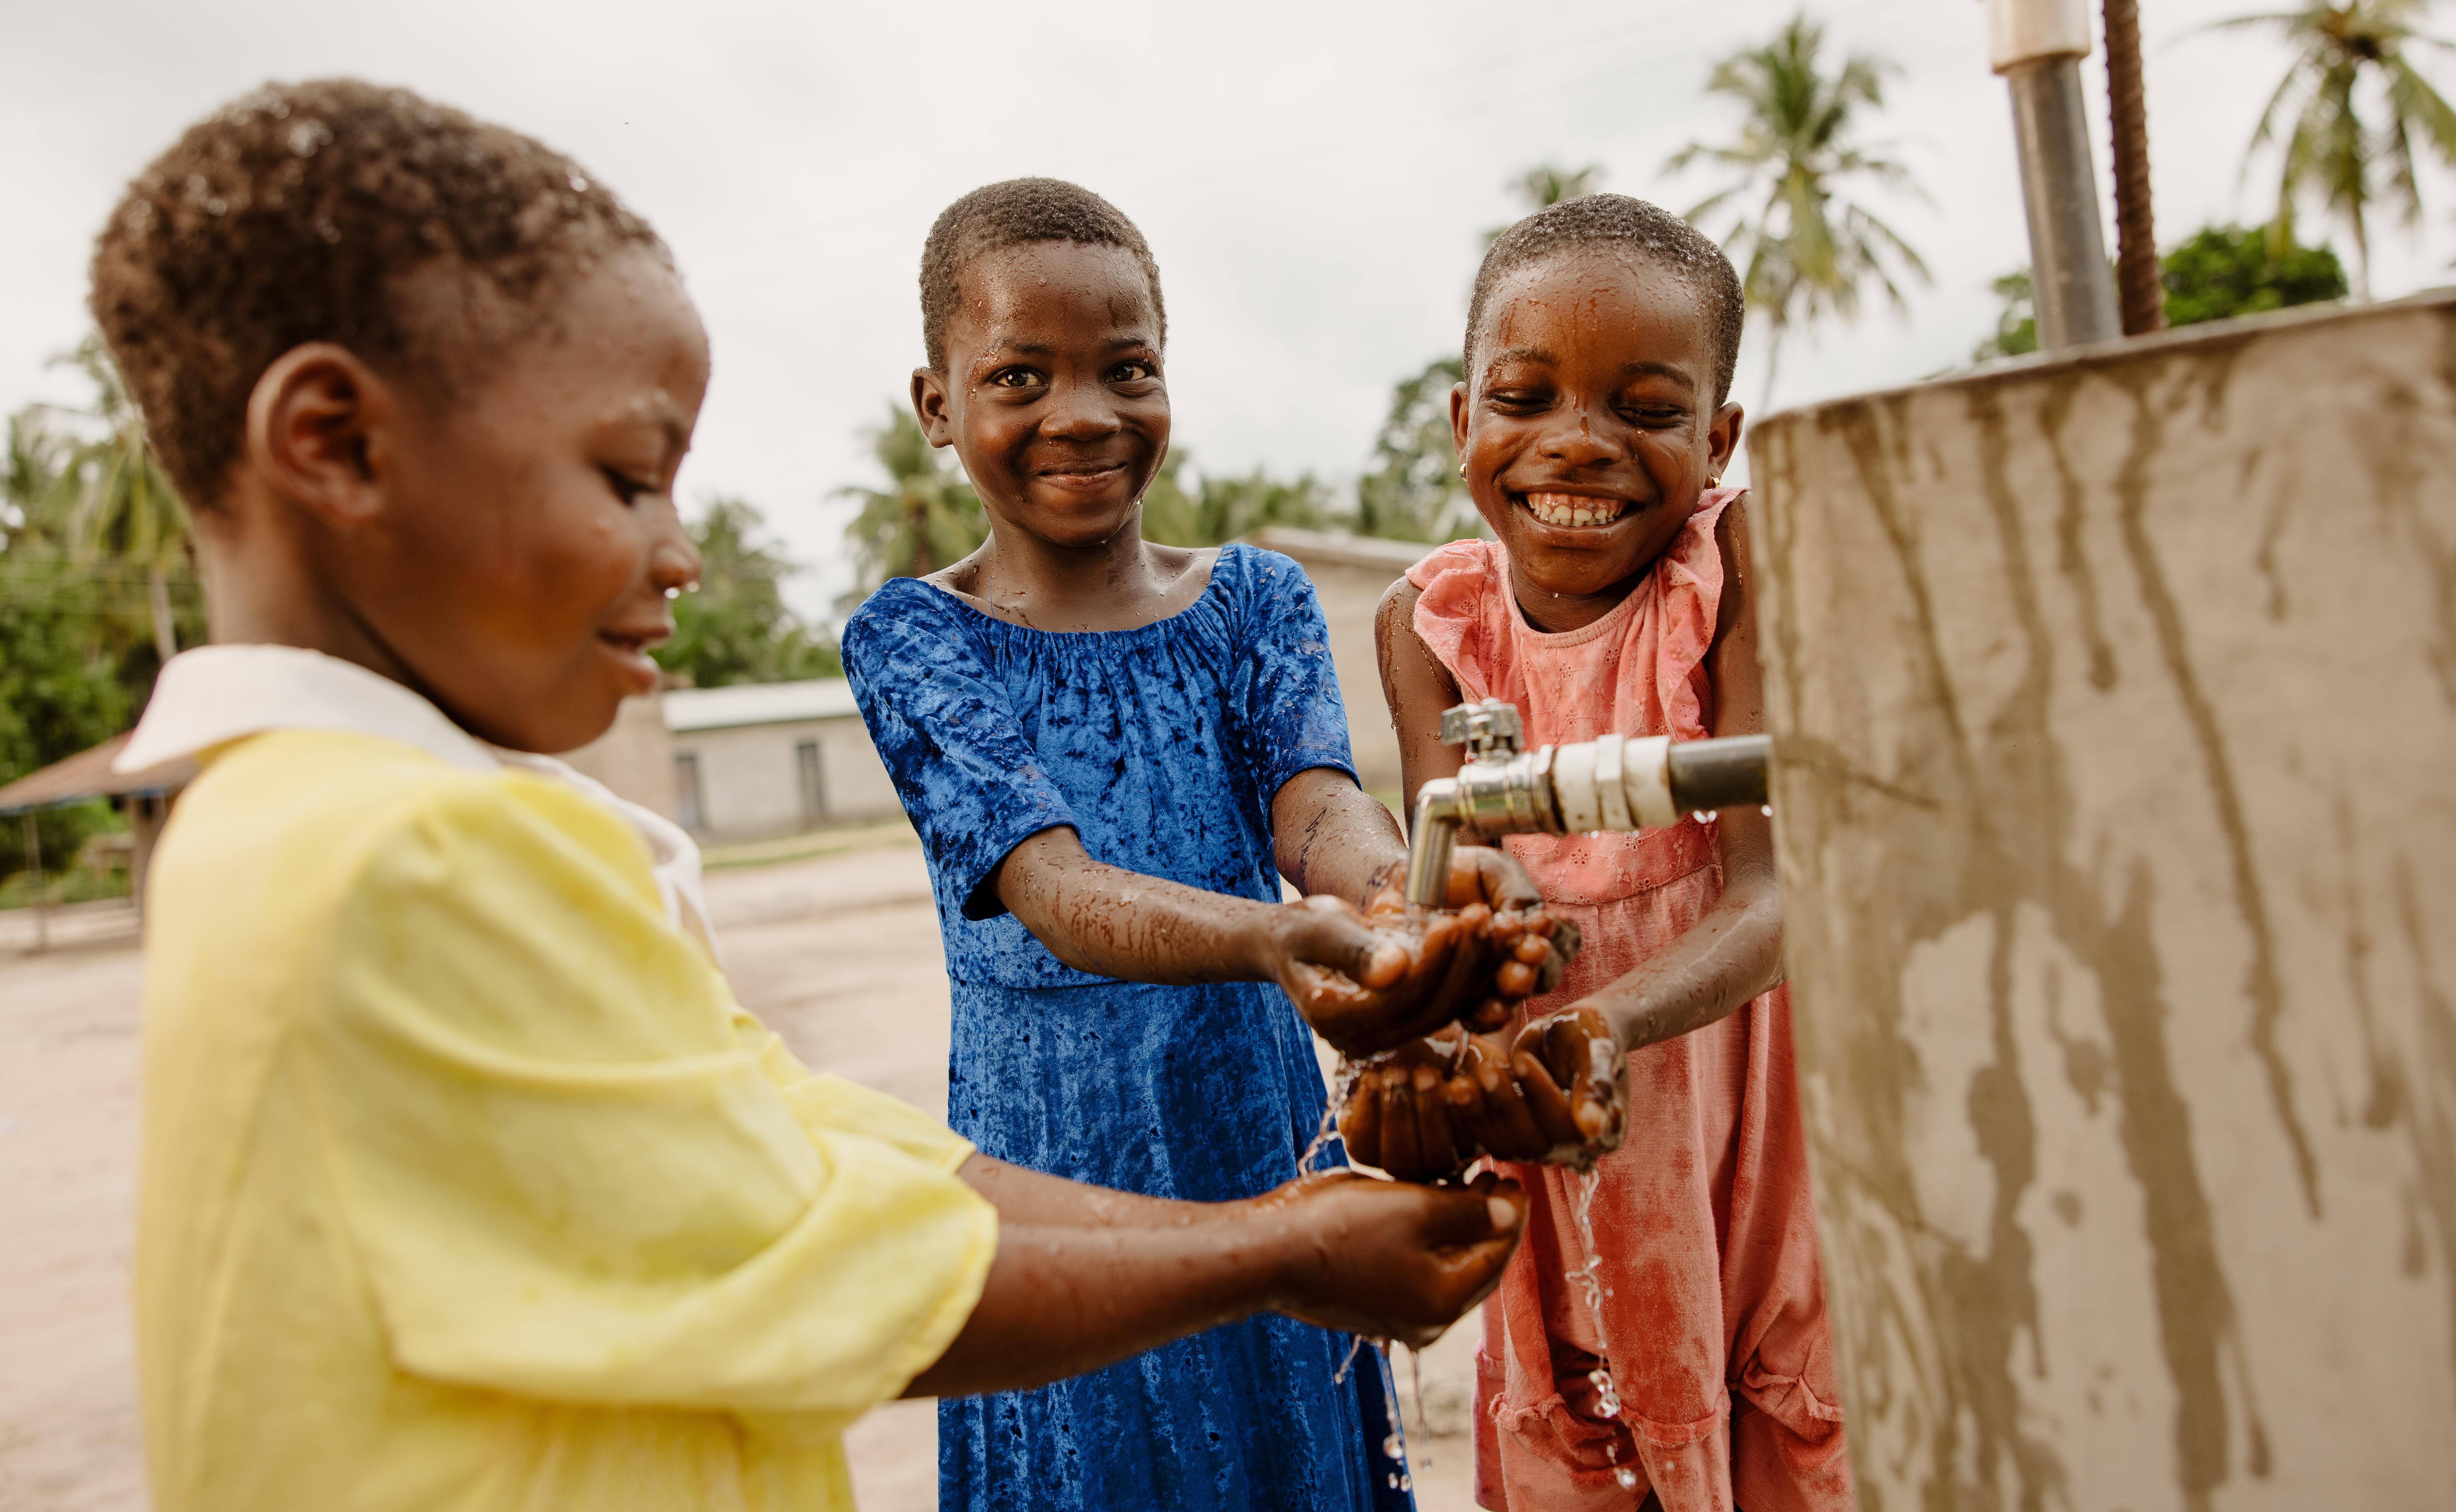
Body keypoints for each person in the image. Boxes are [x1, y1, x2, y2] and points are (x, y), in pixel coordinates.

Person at [95, 81, 1527, 1512]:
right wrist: (1271, 1250)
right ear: (337, 444)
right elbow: (822, 1255)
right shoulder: (398, 858)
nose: (679, 558)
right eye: (625, 478)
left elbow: (802, 1135)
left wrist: (1374, 932)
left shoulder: (333, 824)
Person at [839, 178, 1565, 1512]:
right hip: (1053, 1154)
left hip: (1249, 1117)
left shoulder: (1251, 599)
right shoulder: (913, 638)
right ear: (938, 407)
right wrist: (1285, 938)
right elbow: (1050, 888)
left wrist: (1397, 887)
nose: (1081, 414)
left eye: (1126, 369)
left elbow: (1315, 805)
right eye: (1018, 375)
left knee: (1282, 1420)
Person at [1365, 195, 1853, 1512]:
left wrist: (1608, 1025)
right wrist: (1433, 1016)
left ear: (1717, 438)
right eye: (1525, 398)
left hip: (1730, 1135)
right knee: (1579, 1420)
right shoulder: (1430, 624)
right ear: (1465, 421)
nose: (1576, 444)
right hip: (1548, 1137)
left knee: (1769, 1413)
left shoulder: (1727, 573)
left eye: (1643, 410)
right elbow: (1457, 882)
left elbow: (1776, 891)